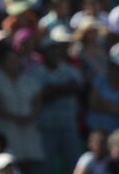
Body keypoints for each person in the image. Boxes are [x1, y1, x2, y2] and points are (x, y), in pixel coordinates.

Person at [34, 28, 83, 174]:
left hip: (68, 123)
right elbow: (43, 95)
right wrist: (64, 88)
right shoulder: (36, 72)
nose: (54, 53)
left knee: (73, 163)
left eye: (56, 50)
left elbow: (77, 87)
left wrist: (54, 90)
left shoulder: (69, 70)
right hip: (46, 126)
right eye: (50, 50)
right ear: (44, 53)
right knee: (46, 166)